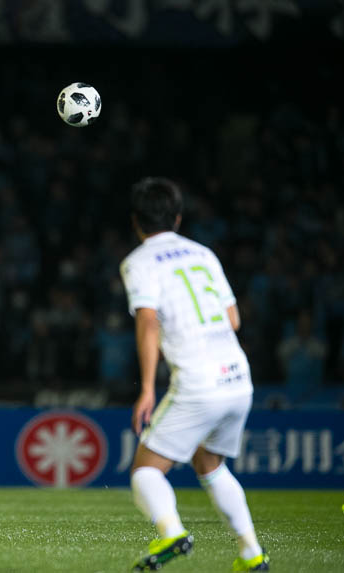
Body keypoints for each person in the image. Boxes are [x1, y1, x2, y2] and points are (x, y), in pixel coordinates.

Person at [119, 178, 269, 572]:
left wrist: (147, 388)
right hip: (238, 377)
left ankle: (171, 532)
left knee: (146, 471)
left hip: (199, 382)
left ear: (136, 221)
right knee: (210, 464)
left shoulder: (138, 262)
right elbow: (233, 319)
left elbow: (147, 322)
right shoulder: (203, 254)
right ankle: (252, 554)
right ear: (178, 218)